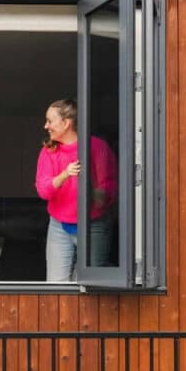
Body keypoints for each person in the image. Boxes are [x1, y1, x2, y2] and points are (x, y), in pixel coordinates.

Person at [34, 99, 118, 281]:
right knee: (56, 284)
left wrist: (89, 189)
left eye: (50, 121)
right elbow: (43, 191)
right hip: (59, 226)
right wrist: (65, 175)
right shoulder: (49, 152)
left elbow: (110, 193)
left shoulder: (97, 147)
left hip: (93, 224)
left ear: (66, 123)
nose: (45, 126)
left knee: (93, 283)